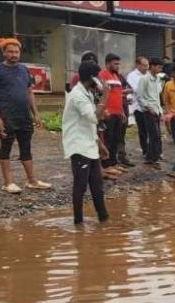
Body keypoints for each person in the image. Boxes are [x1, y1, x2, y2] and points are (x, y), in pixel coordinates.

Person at [0, 38, 51, 194]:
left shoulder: (24, 69)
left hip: (24, 116)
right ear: (4, 53)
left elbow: (29, 92)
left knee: (26, 148)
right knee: (6, 147)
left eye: (16, 52)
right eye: (10, 51)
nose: (14, 55)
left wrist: (36, 114)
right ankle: (8, 182)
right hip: (6, 116)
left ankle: (32, 180)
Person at [62, 60, 111, 225]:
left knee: (97, 185)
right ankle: (78, 222)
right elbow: (93, 117)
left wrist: (99, 143)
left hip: (89, 144)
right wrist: (105, 95)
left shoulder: (87, 93)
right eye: (97, 77)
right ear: (92, 78)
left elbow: (90, 123)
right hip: (78, 146)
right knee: (80, 186)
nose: (99, 80)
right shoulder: (77, 95)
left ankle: (103, 218)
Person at [99, 53, 127, 170]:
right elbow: (100, 95)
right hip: (108, 114)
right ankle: (106, 165)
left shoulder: (117, 77)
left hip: (117, 113)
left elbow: (119, 95)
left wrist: (122, 111)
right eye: (115, 64)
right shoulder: (102, 75)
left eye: (118, 64)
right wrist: (104, 110)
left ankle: (114, 163)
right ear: (107, 63)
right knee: (108, 139)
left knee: (116, 138)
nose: (117, 66)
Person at [137, 57, 164, 168]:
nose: (160, 69)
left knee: (157, 135)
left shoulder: (158, 79)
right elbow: (139, 96)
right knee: (154, 135)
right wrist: (148, 107)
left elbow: (157, 95)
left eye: (161, 67)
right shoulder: (144, 79)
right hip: (149, 111)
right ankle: (151, 158)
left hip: (157, 110)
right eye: (158, 67)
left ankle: (153, 156)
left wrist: (160, 110)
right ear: (152, 66)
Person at [126, 56, 149, 161]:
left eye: (147, 65)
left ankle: (154, 150)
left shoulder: (148, 74)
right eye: (144, 65)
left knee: (152, 130)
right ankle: (145, 150)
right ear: (138, 65)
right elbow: (136, 89)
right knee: (143, 130)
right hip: (138, 107)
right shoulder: (132, 76)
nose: (146, 67)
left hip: (150, 106)